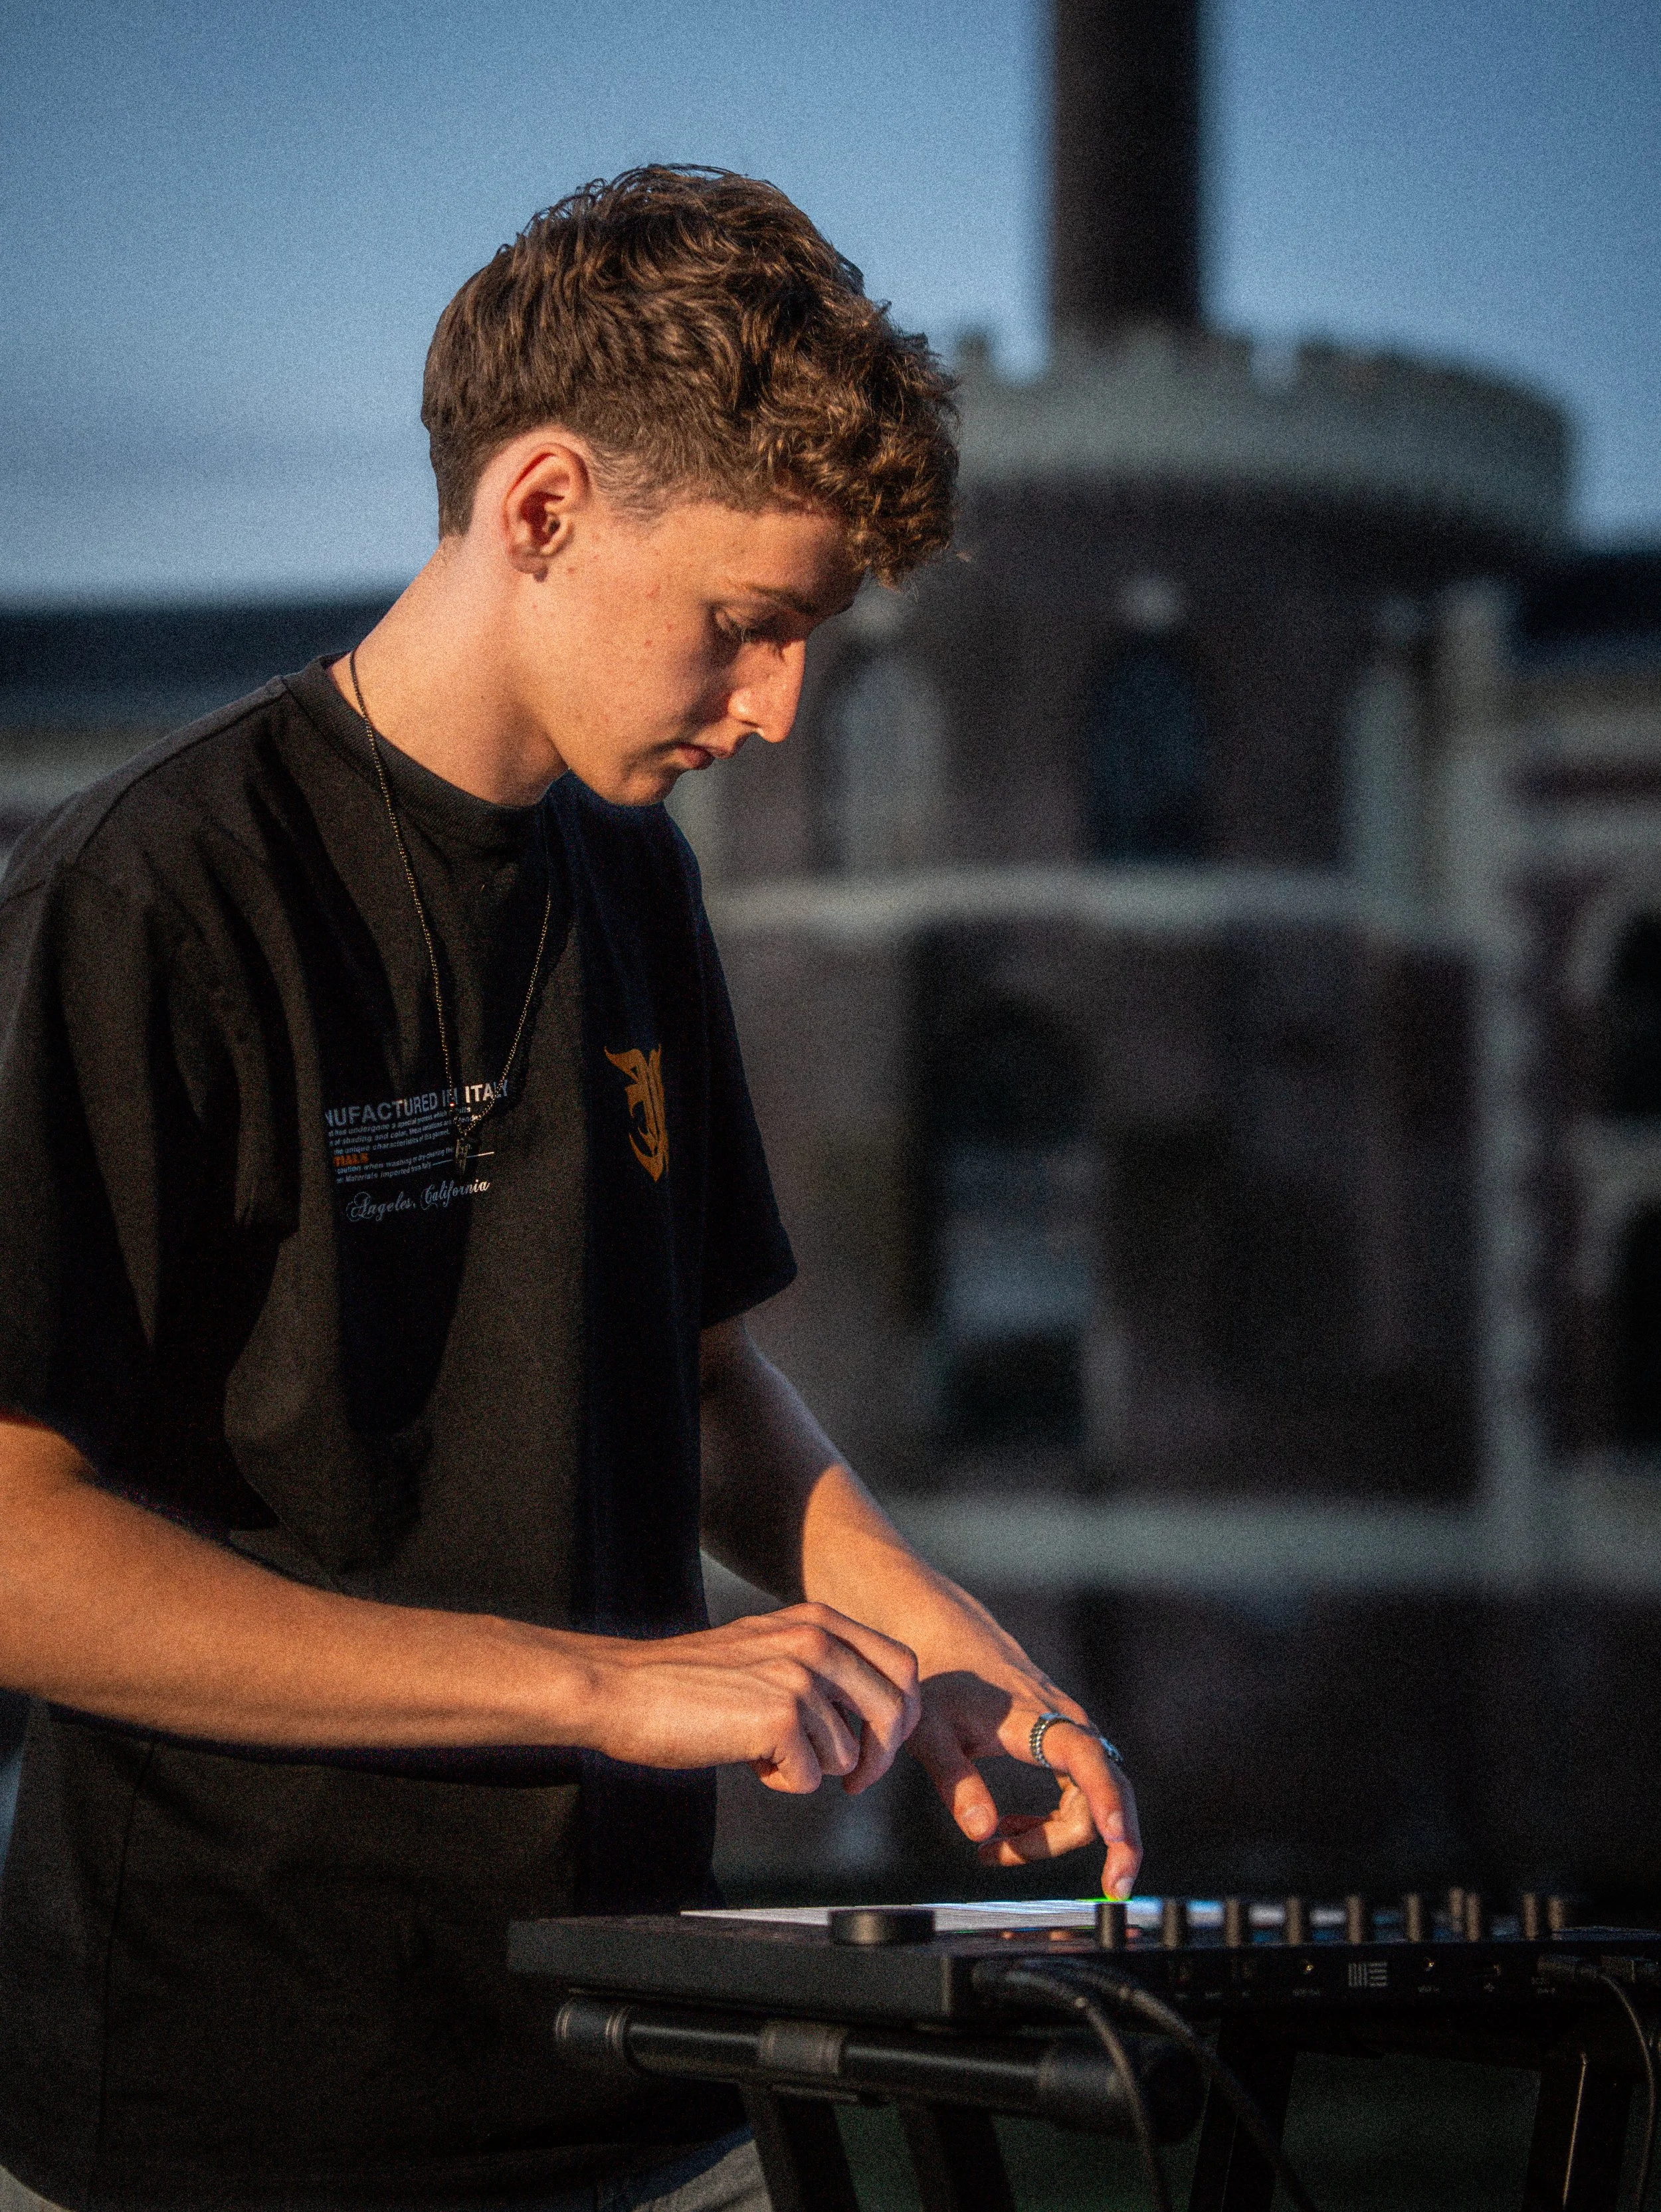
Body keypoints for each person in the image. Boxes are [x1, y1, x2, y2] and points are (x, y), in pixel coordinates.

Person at [0, 167, 1139, 2212]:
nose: (779, 708)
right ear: (541, 508)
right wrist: (602, 1689)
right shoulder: (146, 896)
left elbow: (698, 1380)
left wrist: (940, 1641)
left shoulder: (633, 877)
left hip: (648, 2078)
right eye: (744, 626)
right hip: (227, 2125)